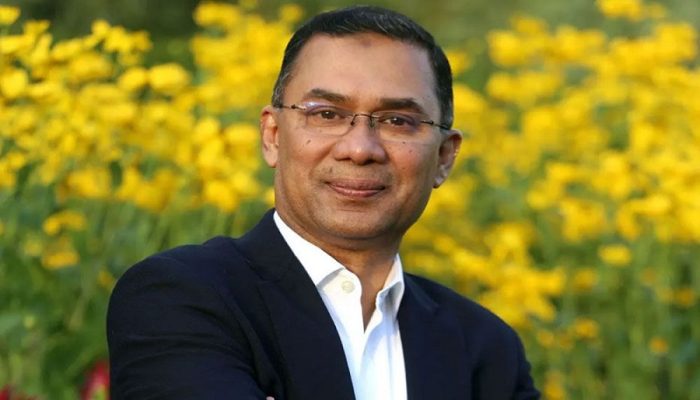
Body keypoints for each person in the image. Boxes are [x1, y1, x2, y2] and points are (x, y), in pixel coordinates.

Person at [107, 5, 540, 400]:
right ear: (273, 136)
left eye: (397, 120)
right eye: (327, 114)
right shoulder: (181, 298)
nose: (360, 148)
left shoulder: (485, 349)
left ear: (444, 157)